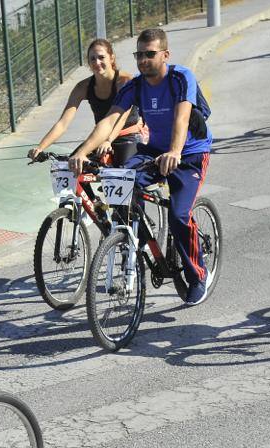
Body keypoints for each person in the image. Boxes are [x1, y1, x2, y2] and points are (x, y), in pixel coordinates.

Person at [69, 28, 213, 306]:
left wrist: (175, 151)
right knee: (121, 182)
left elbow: (182, 118)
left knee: (179, 216)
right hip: (153, 151)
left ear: (165, 54)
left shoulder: (180, 77)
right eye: (139, 55)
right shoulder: (135, 86)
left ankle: (198, 274)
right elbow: (109, 121)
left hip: (189, 153)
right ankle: (136, 242)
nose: (143, 60)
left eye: (150, 54)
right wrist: (83, 152)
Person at [27, 38, 146, 166]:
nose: (97, 62)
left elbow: (121, 119)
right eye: (92, 59)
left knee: (124, 174)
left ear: (111, 58)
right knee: (71, 165)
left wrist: (108, 140)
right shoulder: (82, 87)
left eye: (101, 57)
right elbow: (62, 123)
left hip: (128, 135)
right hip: (100, 137)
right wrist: (40, 147)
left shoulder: (125, 81)